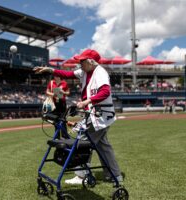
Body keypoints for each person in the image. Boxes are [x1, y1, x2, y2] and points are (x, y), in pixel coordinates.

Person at [34, 49, 123, 185]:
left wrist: (87, 102)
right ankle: (115, 175)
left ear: (90, 61)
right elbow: (67, 74)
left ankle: (81, 176)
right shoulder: (85, 71)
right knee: (102, 145)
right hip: (97, 115)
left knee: (82, 141)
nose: (79, 63)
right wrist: (49, 70)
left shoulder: (100, 72)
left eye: (82, 61)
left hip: (100, 116)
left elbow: (105, 92)